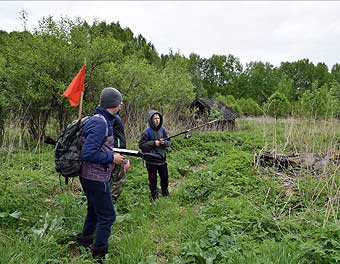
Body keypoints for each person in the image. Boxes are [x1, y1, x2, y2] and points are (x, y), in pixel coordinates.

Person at [77, 87, 124, 262]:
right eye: (120, 102)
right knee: (108, 215)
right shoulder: (100, 123)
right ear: (114, 104)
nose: (121, 105)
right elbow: (88, 154)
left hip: (91, 176)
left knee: (94, 210)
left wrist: (117, 155)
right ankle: (99, 254)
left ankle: (85, 240)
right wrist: (112, 158)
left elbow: (100, 146)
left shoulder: (103, 120)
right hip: (96, 177)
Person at [139, 110, 170, 201]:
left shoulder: (163, 130)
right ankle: (154, 195)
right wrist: (153, 143)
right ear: (151, 120)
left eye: (158, 118)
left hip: (162, 159)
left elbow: (169, 142)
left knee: (164, 177)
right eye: (155, 118)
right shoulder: (146, 132)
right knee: (152, 179)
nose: (157, 120)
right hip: (151, 160)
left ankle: (165, 192)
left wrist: (164, 143)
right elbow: (142, 146)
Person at [110, 113, 130, 202]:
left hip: (118, 151)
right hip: (115, 152)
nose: (121, 104)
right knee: (119, 177)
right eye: (119, 101)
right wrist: (117, 151)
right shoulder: (111, 117)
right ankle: (111, 200)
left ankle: (109, 200)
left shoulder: (114, 116)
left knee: (115, 176)